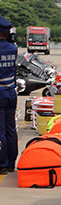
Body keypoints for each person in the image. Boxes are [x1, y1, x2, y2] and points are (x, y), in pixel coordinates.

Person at [0, 16, 18, 174]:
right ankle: (12, 161)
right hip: (11, 91)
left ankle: (2, 163)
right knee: (11, 128)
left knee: (1, 130)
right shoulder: (13, 48)